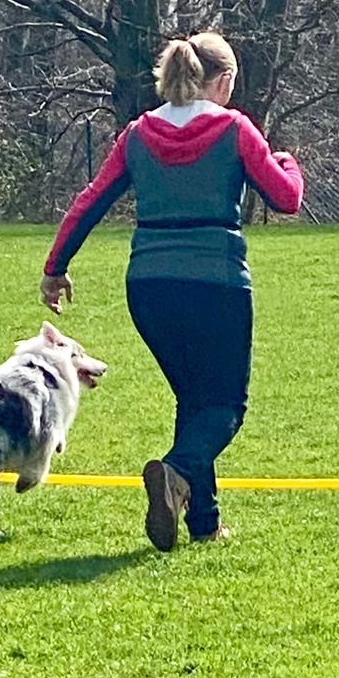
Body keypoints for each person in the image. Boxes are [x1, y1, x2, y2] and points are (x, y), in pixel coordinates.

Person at [41, 31, 303, 549]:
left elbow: (91, 200)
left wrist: (57, 268)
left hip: (149, 288)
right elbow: (286, 198)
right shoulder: (235, 128)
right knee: (226, 406)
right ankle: (176, 471)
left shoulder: (138, 134)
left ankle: (204, 524)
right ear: (223, 81)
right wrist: (288, 162)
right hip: (216, 283)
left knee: (193, 399)